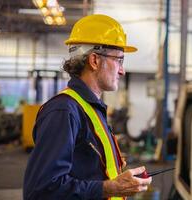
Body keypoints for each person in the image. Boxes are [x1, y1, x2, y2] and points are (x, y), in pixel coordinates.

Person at [23, 14, 152, 200]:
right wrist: (109, 188)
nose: (122, 71)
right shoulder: (64, 111)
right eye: (119, 60)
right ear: (94, 60)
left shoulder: (89, 108)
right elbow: (42, 189)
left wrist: (117, 183)